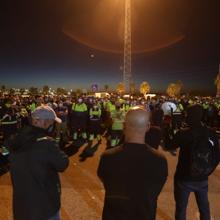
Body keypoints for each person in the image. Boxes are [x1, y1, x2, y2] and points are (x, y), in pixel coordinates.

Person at [97, 106, 168, 220]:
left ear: (124, 126)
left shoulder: (108, 157)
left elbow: (104, 179)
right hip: (145, 215)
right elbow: (157, 188)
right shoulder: (160, 160)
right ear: (148, 127)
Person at [9, 105, 69, 220]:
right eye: (51, 122)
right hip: (45, 208)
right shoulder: (47, 143)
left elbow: (4, 155)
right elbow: (63, 164)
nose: (52, 125)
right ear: (41, 122)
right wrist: (55, 143)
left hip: (21, 207)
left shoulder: (14, 138)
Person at [172, 105, 220, 220]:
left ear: (189, 116)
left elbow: (169, 146)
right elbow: (217, 155)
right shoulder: (211, 133)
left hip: (184, 178)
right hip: (202, 177)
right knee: (204, 208)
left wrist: (169, 133)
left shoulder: (183, 134)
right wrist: (208, 171)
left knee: (181, 209)